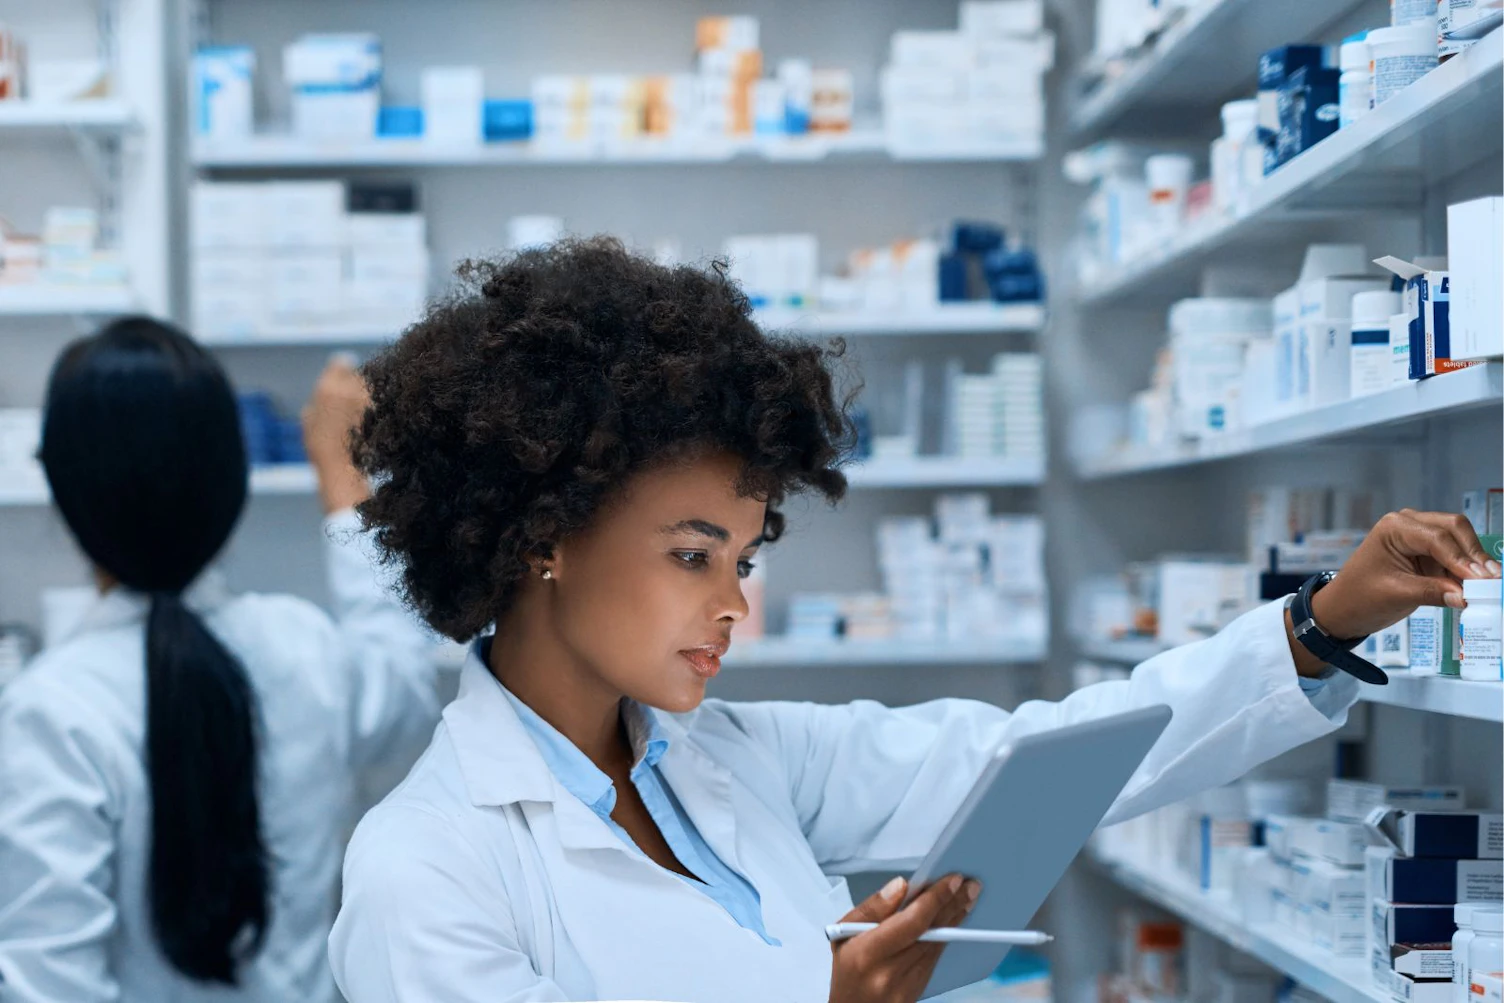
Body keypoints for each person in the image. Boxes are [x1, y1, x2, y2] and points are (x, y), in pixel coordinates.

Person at [327, 238, 1498, 1003]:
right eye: (692, 555)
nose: (734, 602)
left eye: (743, 555)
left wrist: (1321, 622)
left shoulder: (730, 759)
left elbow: (1044, 757)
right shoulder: (426, 867)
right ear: (543, 534)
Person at [0, 318, 440, 1002]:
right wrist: (342, 474)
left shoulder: (54, 709)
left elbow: (50, 985)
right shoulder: (304, 648)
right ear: (229, 480)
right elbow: (405, 686)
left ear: (64, 491)